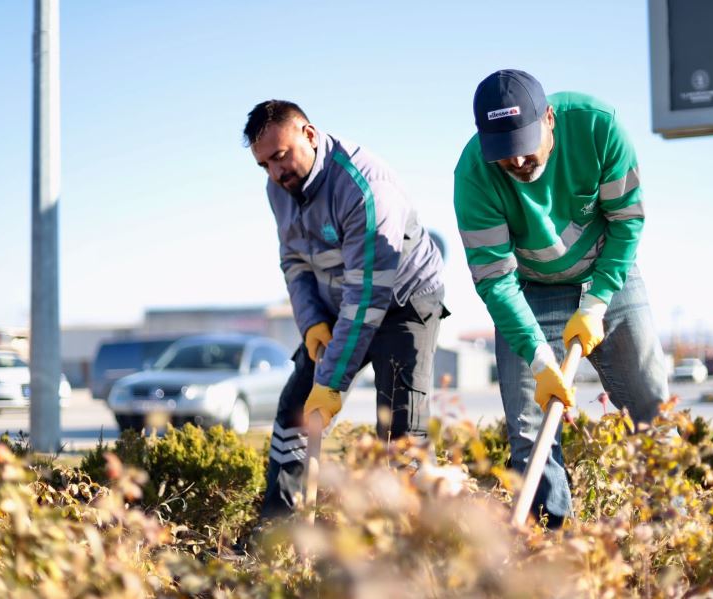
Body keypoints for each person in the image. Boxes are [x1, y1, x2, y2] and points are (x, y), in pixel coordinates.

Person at [453, 70, 669, 527]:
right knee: (529, 431)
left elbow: (627, 220)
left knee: (651, 408)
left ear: (550, 118)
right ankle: (551, 550)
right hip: (531, 290)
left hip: (609, 273)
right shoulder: (473, 174)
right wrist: (536, 356)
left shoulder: (598, 126)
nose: (516, 161)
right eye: (503, 153)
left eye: (525, 144)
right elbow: (494, 278)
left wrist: (597, 302)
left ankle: (670, 533)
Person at [244, 100, 447, 517]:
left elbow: (369, 294)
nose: (275, 173)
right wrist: (312, 322)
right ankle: (278, 530)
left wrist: (332, 380)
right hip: (341, 301)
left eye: (280, 156)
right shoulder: (278, 189)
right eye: (264, 165)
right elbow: (295, 261)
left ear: (310, 135)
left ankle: (416, 549)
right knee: (296, 407)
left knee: (400, 431)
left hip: (402, 300)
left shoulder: (364, 187)